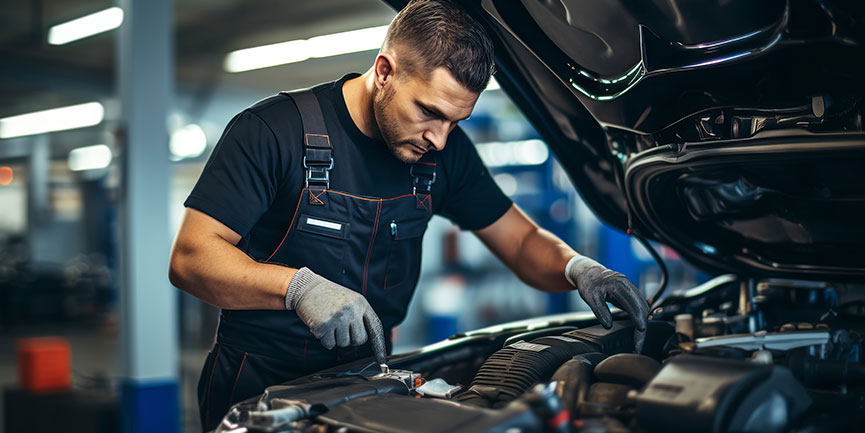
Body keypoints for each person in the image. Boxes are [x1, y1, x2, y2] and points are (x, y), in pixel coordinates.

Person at [169, 0, 649, 430]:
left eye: (454, 122)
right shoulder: (272, 132)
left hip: (369, 377)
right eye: (429, 112)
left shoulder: (445, 155)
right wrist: (296, 288)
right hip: (257, 384)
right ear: (384, 71)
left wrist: (576, 266)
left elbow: (521, 242)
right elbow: (191, 258)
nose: (438, 139)